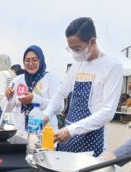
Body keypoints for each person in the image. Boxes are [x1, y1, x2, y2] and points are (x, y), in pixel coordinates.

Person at [44, 17, 123, 157]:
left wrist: (72, 130)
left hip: (91, 139)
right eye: (71, 48)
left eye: (77, 48)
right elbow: (60, 93)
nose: (74, 53)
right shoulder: (77, 65)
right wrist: (46, 114)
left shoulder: (112, 67)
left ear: (92, 41)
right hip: (67, 135)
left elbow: (107, 112)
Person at [4, 45, 62, 134]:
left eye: (34, 60)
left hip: (45, 134)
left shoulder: (51, 78)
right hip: (22, 134)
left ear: (41, 60)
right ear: (23, 62)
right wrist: (8, 97)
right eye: (27, 60)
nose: (30, 63)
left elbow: (59, 106)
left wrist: (34, 99)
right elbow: (7, 109)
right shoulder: (18, 80)